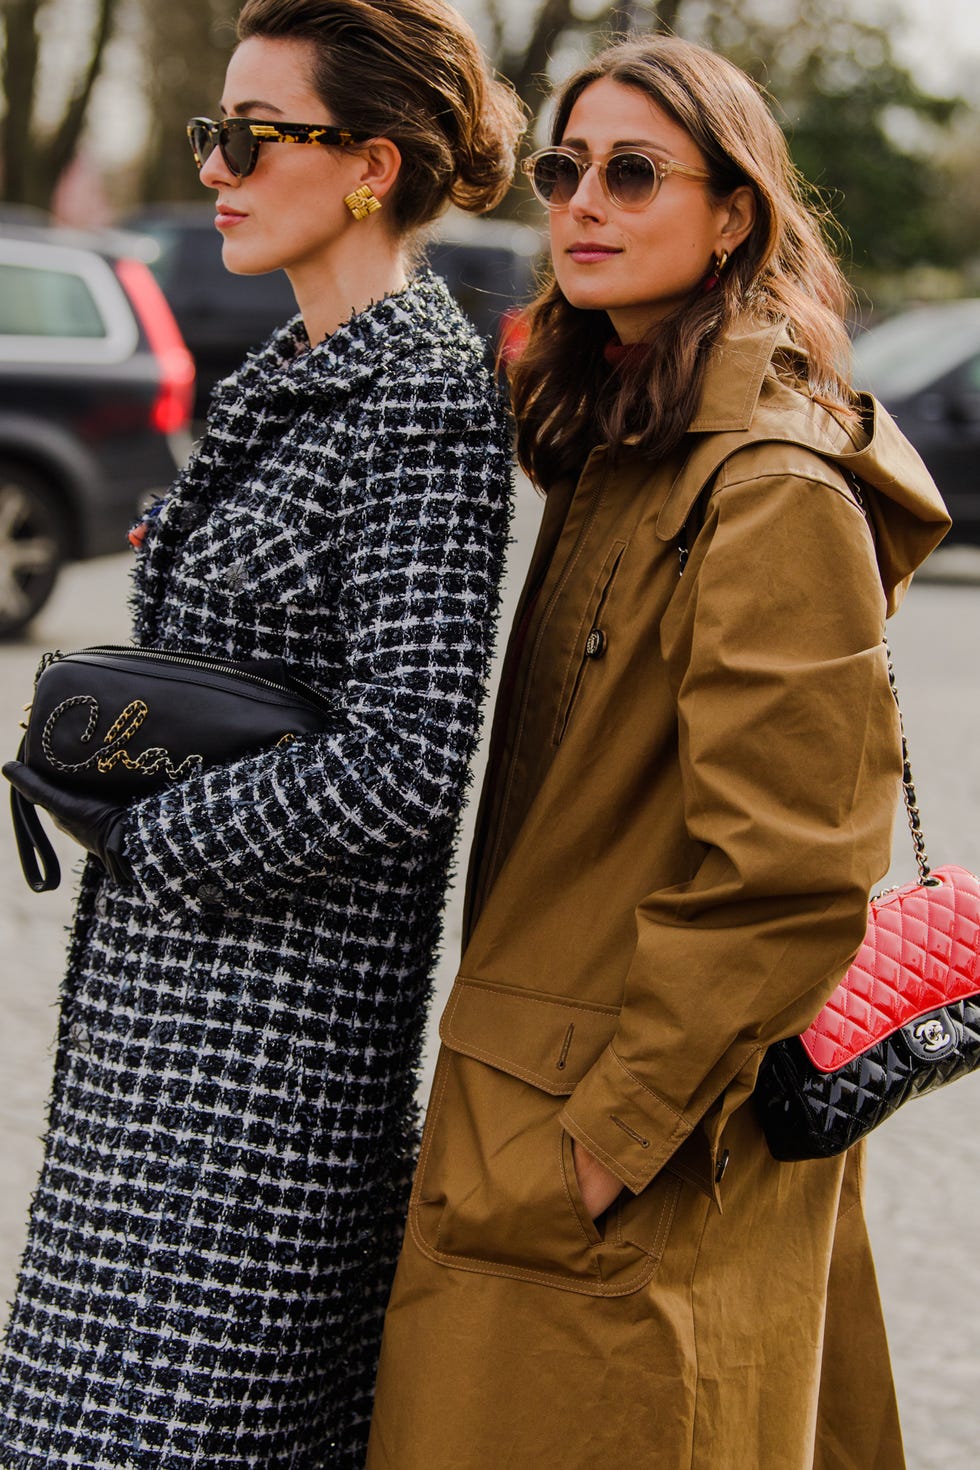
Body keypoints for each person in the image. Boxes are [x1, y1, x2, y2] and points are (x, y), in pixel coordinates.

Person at [366, 33, 951, 1470]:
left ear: (735, 210)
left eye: (635, 172)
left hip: (625, 1151)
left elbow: (793, 871)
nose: (583, 202)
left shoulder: (765, 488)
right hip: (537, 1119)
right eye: (567, 169)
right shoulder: (633, 440)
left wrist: (608, 1137)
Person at [0, 2, 523, 1465]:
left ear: (369, 163)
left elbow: (411, 753)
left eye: (250, 134)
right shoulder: (298, 369)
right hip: (165, 1032)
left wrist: (153, 835)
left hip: (269, 1073)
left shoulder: (419, 396)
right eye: (206, 132)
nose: (216, 165)